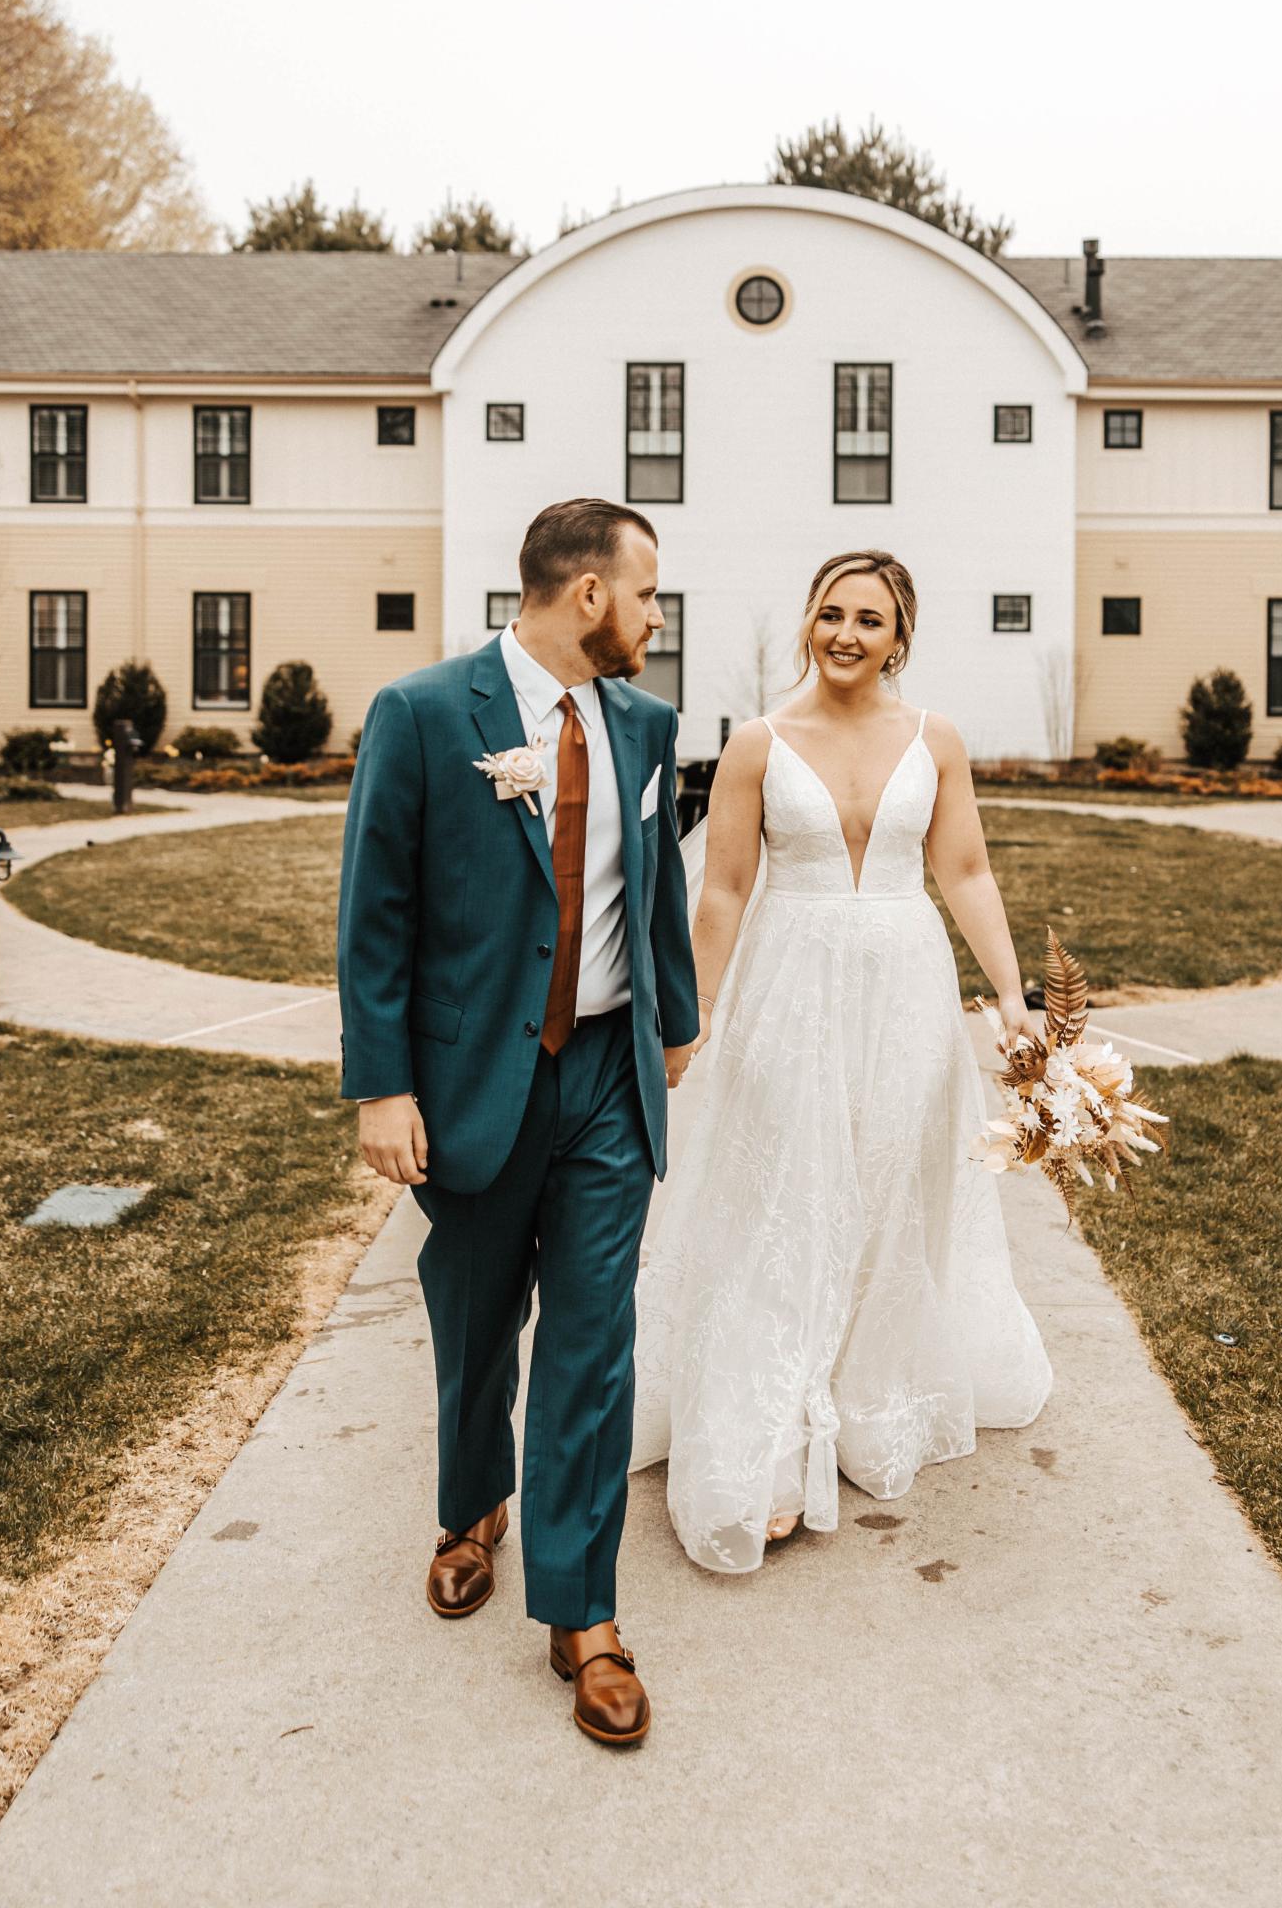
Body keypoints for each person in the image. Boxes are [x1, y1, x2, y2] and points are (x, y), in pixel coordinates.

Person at [337, 497, 699, 1746]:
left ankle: (583, 1614)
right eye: (648, 594)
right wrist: (383, 1086)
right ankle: (470, 1508)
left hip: (607, 1076)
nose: (658, 617)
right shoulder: (427, 714)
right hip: (477, 1080)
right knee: (479, 1322)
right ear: (588, 594)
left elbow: (655, 890)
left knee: (595, 1341)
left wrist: (677, 1020)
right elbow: (376, 910)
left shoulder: (646, 726)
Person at [631, 549, 1052, 1572]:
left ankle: (867, 1398)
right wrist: (691, 1023)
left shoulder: (934, 739)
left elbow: (963, 868)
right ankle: (772, 1431)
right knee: (789, 1197)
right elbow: (724, 893)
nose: (846, 634)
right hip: (791, 993)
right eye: (831, 613)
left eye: (870, 618)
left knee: (887, 1188)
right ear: (808, 625)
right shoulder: (757, 745)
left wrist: (1008, 998)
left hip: (906, 990)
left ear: (900, 636)